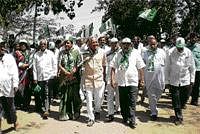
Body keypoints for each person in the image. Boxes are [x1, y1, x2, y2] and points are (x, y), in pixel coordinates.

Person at [110, 37, 145, 129]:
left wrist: (142, 80)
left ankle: (132, 119)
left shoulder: (135, 53)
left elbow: (140, 67)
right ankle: (125, 117)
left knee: (132, 101)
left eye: (128, 44)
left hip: (132, 81)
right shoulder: (118, 54)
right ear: (121, 45)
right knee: (123, 101)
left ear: (131, 45)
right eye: (124, 44)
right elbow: (113, 67)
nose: (126, 46)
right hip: (121, 82)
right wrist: (113, 79)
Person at [165, 37, 196, 125]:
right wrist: (166, 81)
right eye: (178, 47)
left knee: (185, 98)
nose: (180, 49)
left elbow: (192, 67)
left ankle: (179, 109)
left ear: (184, 45)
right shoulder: (170, 52)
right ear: (175, 45)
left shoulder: (188, 52)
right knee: (176, 99)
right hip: (174, 80)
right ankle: (178, 117)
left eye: (181, 47)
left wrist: (192, 79)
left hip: (185, 80)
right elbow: (166, 68)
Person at [82, 37, 107, 127]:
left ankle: (97, 111)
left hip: (99, 78)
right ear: (89, 44)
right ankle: (91, 118)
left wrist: (104, 76)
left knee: (99, 97)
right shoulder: (84, 53)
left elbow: (104, 65)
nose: (95, 44)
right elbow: (81, 64)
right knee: (88, 99)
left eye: (96, 42)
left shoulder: (102, 52)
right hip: (88, 79)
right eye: (93, 42)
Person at [32, 38, 57, 119]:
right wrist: (35, 78)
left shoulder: (51, 54)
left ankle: (46, 110)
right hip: (40, 78)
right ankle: (46, 107)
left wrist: (54, 74)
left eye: (44, 44)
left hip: (49, 77)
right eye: (41, 44)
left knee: (46, 93)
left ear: (47, 45)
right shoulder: (36, 55)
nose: (42, 45)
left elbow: (54, 65)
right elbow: (35, 68)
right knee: (41, 93)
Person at [58, 39, 82, 121]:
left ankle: (76, 112)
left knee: (74, 96)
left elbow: (79, 63)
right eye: (65, 43)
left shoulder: (76, 52)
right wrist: (65, 72)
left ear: (72, 43)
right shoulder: (61, 52)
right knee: (65, 95)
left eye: (68, 43)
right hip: (64, 77)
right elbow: (59, 64)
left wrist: (74, 71)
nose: (66, 44)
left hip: (74, 78)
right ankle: (67, 113)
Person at [142, 38, 166, 121]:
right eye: (151, 44)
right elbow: (142, 65)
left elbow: (166, 64)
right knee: (152, 95)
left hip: (160, 78)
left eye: (154, 44)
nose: (153, 46)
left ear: (157, 44)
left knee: (160, 92)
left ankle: (153, 105)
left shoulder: (162, 52)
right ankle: (153, 112)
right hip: (149, 78)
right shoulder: (145, 53)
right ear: (149, 44)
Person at [0, 39, 19, 132]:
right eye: (1, 45)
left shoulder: (9, 57)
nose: (3, 47)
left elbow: (15, 72)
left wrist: (15, 84)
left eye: (3, 45)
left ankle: (15, 122)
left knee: (10, 107)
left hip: (8, 87)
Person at [105, 37, 120, 121]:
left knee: (118, 95)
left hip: (119, 76)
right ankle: (110, 113)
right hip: (109, 76)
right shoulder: (107, 53)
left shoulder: (121, 53)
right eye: (112, 43)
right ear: (110, 44)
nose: (114, 44)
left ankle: (117, 108)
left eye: (115, 43)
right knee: (110, 96)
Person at [187, 33, 200, 106]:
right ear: (190, 38)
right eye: (192, 38)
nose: (194, 39)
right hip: (188, 69)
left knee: (196, 85)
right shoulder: (186, 47)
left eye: (195, 38)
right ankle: (185, 99)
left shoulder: (199, 47)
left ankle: (194, 100)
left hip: (198, 69)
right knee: (187, 85)